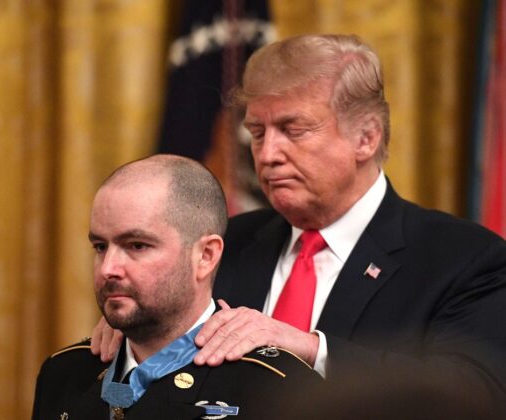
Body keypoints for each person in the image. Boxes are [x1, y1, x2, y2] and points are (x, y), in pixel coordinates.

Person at [92, 34, 506, 416]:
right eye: (256, 133)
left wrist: (311, 349)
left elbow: (481, 393)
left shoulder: (464, 258)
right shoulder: (222, 246)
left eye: (293, 130)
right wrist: (137, 323)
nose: (267, 154)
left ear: (366, 137)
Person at [32, 155, 321, 420]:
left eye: (137, 246)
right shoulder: (65, 373)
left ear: (205, 256)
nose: (108, 268)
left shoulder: (279, 389)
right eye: (100, 246)